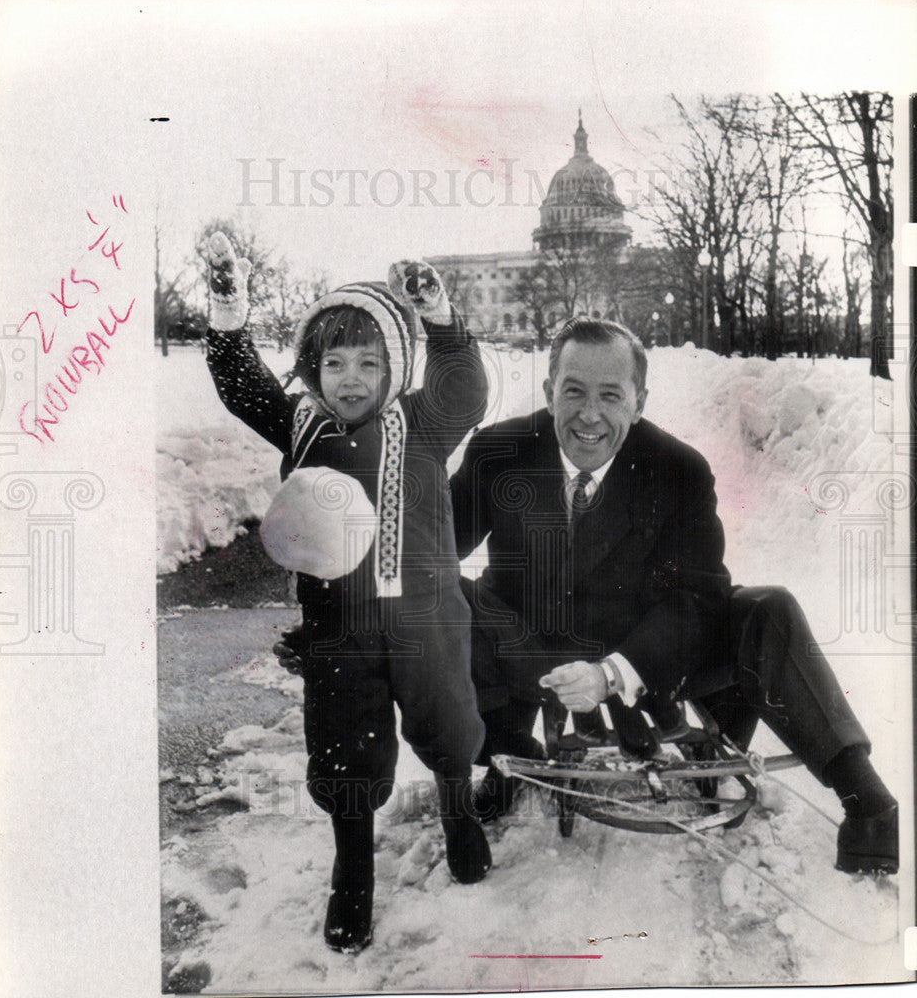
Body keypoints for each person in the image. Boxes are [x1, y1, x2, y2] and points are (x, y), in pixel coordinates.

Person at [449, 317, 898, 876]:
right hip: (530, 649)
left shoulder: (678, 470)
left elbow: (699, 598)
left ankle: (867, 802)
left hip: (644, 656)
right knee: (432, 600)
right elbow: (429, 548)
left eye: (611, 395)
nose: (590, 414)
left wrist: (613, 673)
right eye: (574, 392)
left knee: (766, 608)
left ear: (638, 403)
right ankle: (507, 753)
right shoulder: (500, 452)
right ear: (548, 393)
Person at [204, 233, 491, 955]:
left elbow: (466, 389)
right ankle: (353, 866)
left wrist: (441, 319)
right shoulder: (300, 425)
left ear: (395, 369)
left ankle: (460, 810)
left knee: (448, 726)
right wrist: (228, 313)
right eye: (334, 362)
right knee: (344, 753)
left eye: (369, 362)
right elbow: (243, 387)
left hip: (426, 619)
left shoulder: (421, 422)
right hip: (337, 628)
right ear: (312, 369)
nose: (351, 378)